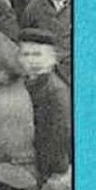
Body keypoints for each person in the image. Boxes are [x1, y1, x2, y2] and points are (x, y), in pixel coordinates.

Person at [17, 29, 71, 181]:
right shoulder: (27, 83)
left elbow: (57, 146)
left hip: (45, 173)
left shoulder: (55, 93)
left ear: (52, 59)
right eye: (26, 54)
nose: (31, 60)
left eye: (37, 55)